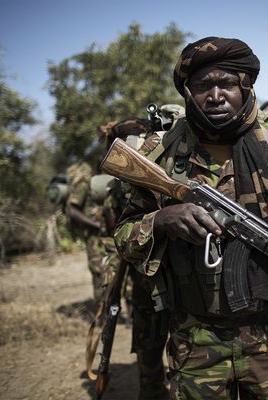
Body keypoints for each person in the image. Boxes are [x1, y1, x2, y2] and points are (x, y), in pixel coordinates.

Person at [114, 37, 268, 399]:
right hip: (194, 334)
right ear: (188, 91)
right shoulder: (160, 152)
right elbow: (123, 236)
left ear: (245, 86)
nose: (216, 96)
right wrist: (163, 219)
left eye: (227, 84)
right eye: (203, 86)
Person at [99, 117, 170, 400]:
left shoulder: (117, 187)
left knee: (149, 344)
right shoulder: (168, 164)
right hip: (168, 274)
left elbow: (112, 232)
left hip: (144, 275)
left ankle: (153, 391)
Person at [66, 159, 115, 304]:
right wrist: (95, 225)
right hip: (94, 237)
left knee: (115, 272)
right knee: (99, 273)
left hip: (109, 234)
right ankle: (102, 314)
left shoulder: (106, 182)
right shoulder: (83, 181)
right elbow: (72, 210)